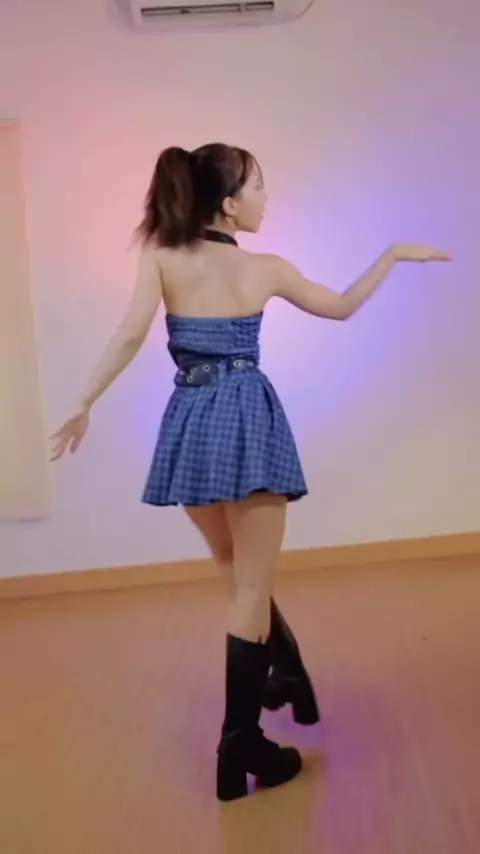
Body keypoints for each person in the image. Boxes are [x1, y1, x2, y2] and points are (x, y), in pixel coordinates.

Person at [51, 143, 451, 801]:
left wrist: (83, 401)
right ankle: (240, 743)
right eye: (258, 186)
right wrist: (391, 255)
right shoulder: (264, 268)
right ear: (230, 204)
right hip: (246, 416)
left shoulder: (163, 254)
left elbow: (129, 334)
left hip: (190, 418)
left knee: (233, 567)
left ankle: (283, 670)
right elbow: (341, 306)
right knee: (250, 586)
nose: (267, 197)